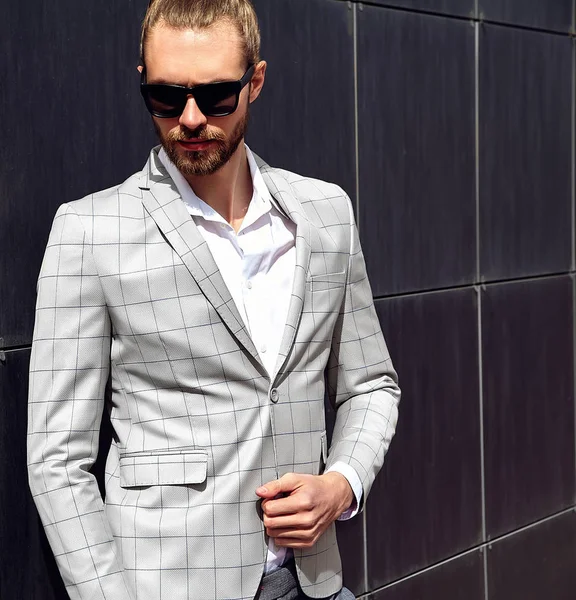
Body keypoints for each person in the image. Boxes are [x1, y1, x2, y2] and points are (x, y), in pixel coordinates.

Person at [27, 1, 400, 599]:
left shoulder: (325, 214)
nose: (191, 118)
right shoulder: (89, 231)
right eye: (166, 98)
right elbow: (56, 461)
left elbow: (371, 386)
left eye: (217, 96)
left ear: (255, 80)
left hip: (313, 583)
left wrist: (342, 484)